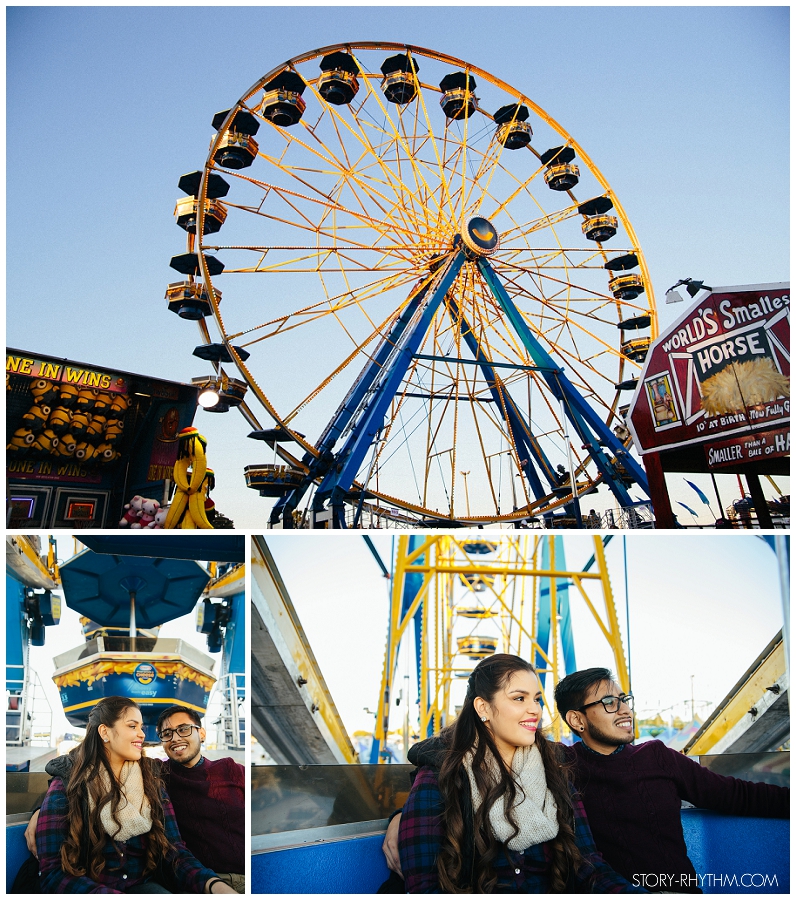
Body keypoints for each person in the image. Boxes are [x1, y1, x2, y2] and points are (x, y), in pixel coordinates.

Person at [386, 667, 789, 894]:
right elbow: (452, 759)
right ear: (577, 720)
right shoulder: (564, 765)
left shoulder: (655, 758)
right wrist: (403, 812)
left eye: (624, 700)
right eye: (609, 702)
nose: (624, 710)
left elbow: (735, 793)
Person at [397, 654, 645, 892]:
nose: (535, 710)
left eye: (536, 699)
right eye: (519, 699)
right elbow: (424, 887)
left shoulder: (554, 770)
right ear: (483, 707)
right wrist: (397, 817)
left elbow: (587, 866)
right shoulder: (441, 776)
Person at [27, 705, 245, 892]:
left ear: (202, 733)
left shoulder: (153, 779)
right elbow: (70, 770)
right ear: (105, 732)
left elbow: (174, 850)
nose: (142, 734)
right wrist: (41, 807)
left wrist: (212, 884)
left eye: (184, 729)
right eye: (166, 733)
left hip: (235, 875)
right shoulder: (159, 774)